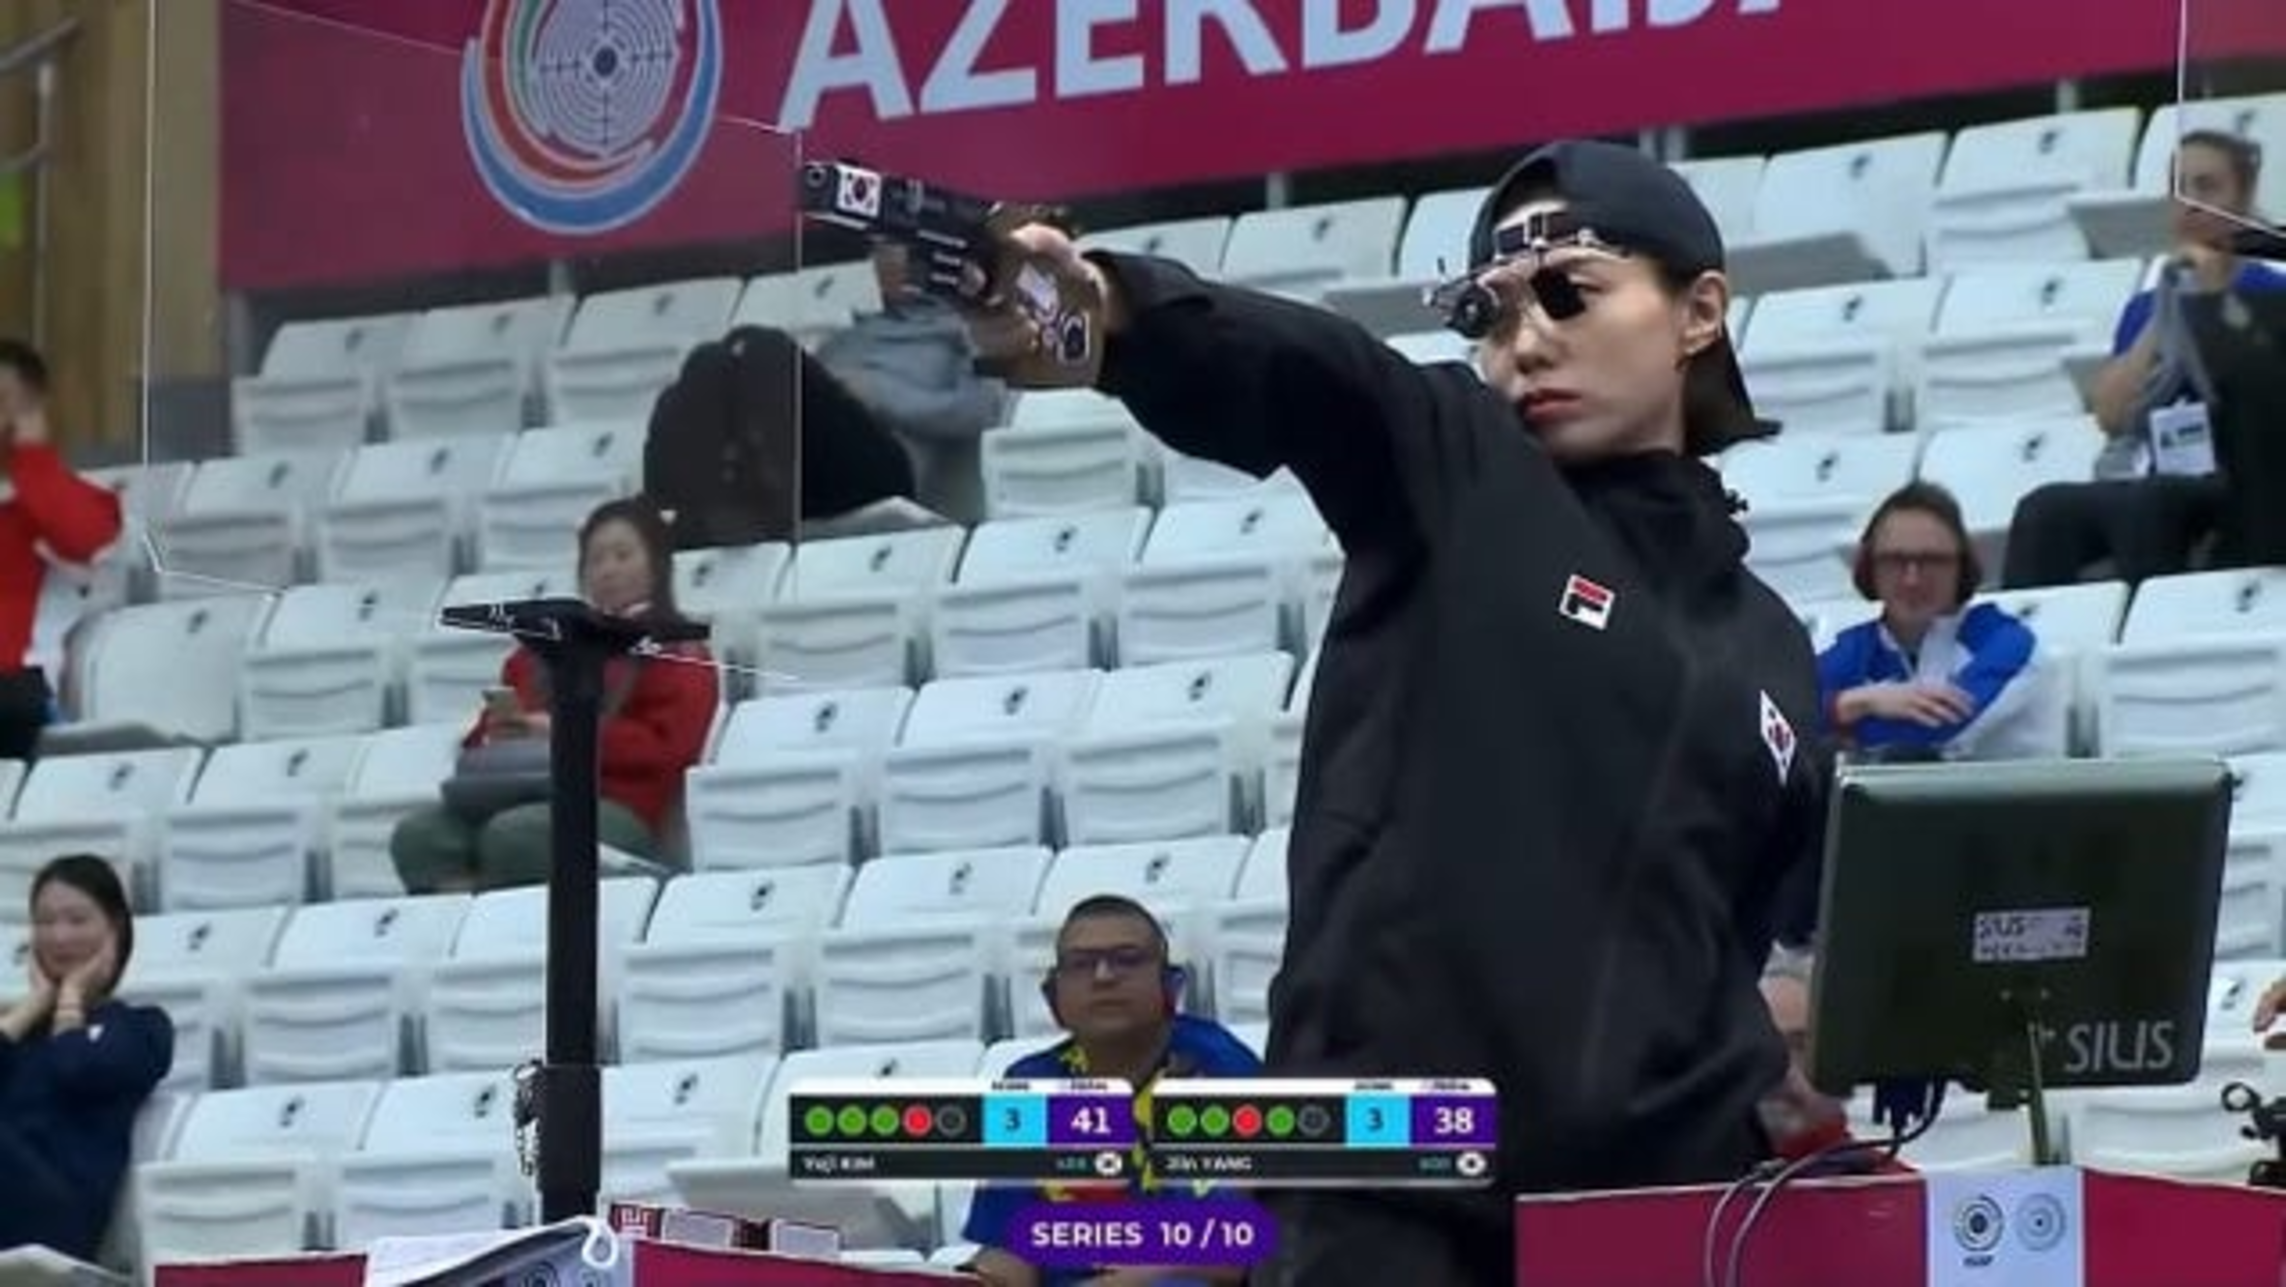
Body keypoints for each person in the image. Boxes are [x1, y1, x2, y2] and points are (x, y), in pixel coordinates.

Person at [933, 140, 1829, 1283]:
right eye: (1490, 312)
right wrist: (1109, 307)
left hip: (1658, 1207)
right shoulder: (1455, 467)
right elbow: (1316, 374)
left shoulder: (1771, 649)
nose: (1525, 342)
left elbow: (1783, 928)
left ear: (1698, 312)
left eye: (1569, 293)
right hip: (1390, 1183)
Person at [2002, 131, 2286, 589]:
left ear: (2243, 198)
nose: (2191, 204)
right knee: (2044, 510)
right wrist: (2168, 311)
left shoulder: (2273, 293)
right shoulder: (2147, 306)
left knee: (2149, 504)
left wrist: (2212, 298)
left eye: (2208, 187)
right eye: (2179, 189)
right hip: (2166, 472)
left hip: (2251, 483)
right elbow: (2112, 416)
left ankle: (2152, 623)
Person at [390, 498, 717, 892]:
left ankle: (499, 914)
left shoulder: (677, 651)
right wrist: (500, 733)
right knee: (420, 835)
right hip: (518, 795)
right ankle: (471, 914)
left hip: (617, 803)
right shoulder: (538, 654)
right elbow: (478, 740)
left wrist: (566, 732)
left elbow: (666, 750)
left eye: (622, 555)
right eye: (595, 560)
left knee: (515, 837)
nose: (608, 569)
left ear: (657, 565)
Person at [962, 896, 1260, 1287]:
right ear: (1053, 997)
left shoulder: (1218, 1071)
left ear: (1170, 986)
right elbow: (1009, 1250)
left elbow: (1221, 1258)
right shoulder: (1030, 1083)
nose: (1103, 976)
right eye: (1081, 964)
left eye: (1127, 959)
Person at [0, 854, 174, 1261]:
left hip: (58, 1214)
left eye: (77, 920)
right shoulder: (17, 1029)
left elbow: (74, 1067)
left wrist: (71, 996)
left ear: (114, 930)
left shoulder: (141, 1028)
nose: (60, 937)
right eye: (45, 922)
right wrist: (34, 1004)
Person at [1820, 482, 2043, 761]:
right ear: (1869, 567)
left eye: (1932, 561)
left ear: (1961, 566)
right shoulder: (1855, 647)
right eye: (1895, 560)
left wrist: (1838, 724)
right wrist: (1854, 703)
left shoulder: (2008, 641)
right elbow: (1787, 713)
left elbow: (1935, 736)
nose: (1912, 579)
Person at [817, 246, 1009, 524]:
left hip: (873, 473)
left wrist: (879, 394)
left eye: (900, 249)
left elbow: (982, 410)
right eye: (879, 249)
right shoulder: (853, 327)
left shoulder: (965, 329)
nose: (882, 260)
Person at [0, 341, 125, 760]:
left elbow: (84, 539)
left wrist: (32, 457)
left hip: (17, 695)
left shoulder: (78, 502)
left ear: (31, 411)